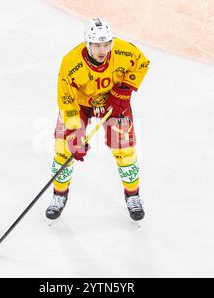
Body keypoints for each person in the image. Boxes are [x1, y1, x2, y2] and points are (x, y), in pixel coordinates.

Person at [46, 18, 150, 221]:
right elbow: (66, 100)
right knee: (63, 148)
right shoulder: (71, 63)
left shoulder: (123, 51)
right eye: (96, 45)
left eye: (106, 44)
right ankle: (59, 194)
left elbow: (142, 63)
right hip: (80, 104)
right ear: (87, 44)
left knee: (124, 150)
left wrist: (124, 90)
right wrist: (75, 131)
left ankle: (133, 196)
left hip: (114, 101)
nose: (102, 50)